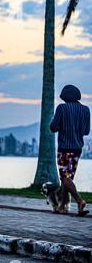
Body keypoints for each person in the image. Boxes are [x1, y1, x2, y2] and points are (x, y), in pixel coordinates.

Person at [50, 84, 90, 217]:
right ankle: (62, 206)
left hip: (64, 148)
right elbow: (86, 131)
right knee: (68, 179)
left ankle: (80, 201)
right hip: (78, 149)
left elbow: (53, 127)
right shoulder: (86, 110)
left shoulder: (62, 108)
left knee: (65, 177)